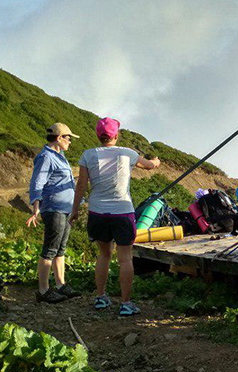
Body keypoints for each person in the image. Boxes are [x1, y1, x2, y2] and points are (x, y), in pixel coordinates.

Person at [69, 117, 160, 316]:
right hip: (122, 212)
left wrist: (75, 209)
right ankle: (126, 303)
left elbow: (81, 186)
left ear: (98, 135)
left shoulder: (87, 155)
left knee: (104, 255)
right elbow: (149, 166)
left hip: (98, 212)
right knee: (125, 259)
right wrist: (156, 161)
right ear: (116, 136)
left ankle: (101, 297)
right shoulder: (126, 153)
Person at [27, 123, 81, 303]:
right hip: (54, 208)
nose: (70, 142)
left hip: (65, 209)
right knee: (50, 249)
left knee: (60, 249)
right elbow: (37, 182)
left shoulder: (60, 156)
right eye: (68, 138)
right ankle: (43, 290)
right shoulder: (46, 157)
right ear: (59, 138)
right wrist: (36, 207)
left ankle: (60, 285)